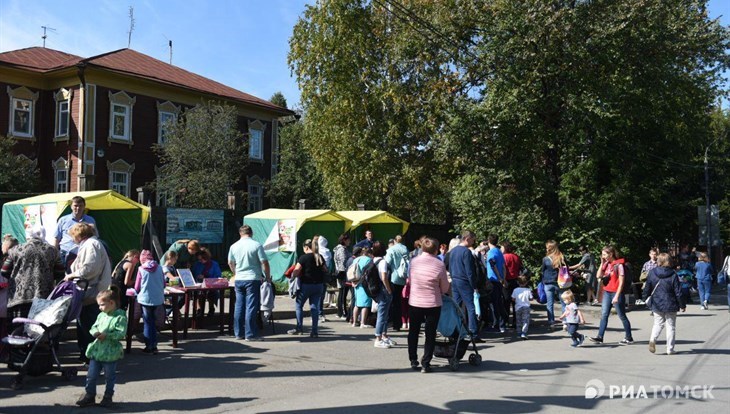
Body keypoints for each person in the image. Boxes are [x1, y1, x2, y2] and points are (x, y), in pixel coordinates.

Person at [64, 222, 113, 363]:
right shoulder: (91, 244)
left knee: (88, 324)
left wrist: (72, 275)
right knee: (85, 323)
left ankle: (91, 355)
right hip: (90, 290)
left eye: (73, 235)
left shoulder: (91, 245)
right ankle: (87, 354)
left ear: (79, 235)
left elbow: (90, 269)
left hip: (92, 292)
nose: (72, 238)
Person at [76, 287, 127, 408]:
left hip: (110, 352)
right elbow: (94, 327)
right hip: (97, 351)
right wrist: (95, 332)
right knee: (91, 375)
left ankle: (108, 397)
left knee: (109, 377)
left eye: (102, 305)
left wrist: (107, 335)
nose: (99, 307)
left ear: (111, 303)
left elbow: (121, 333)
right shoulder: (101, 315)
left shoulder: (120, 317)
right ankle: (89, 395)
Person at [2, 225, 64, 319]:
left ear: (28, 235)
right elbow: (60, 274)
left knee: (17, 329)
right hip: (44, 298)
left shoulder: (15, 250)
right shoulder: (53, 251)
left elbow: (4, 271)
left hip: (18, 298)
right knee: (38, 330)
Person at [407, 237, 449, 373]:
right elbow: (444, 288)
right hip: (432, 302)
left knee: (413, 331)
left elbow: (410, 279)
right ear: (436, 250)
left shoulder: (413, 262)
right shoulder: (439, 265)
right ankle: (426, 362)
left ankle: (413, 359)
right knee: (430, 334)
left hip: (415, 301)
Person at [228, 225, 270, 341]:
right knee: (251, 306)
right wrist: (267, 277)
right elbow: (264, 262)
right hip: (253, 278)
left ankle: (238, 333)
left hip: (239, 279)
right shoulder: (256, 245)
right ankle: (250, 334)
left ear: (240, 233)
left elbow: (230, 262)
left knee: (239, 306)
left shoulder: (234, 246)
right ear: (251, 233)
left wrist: (236, 272)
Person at [590, 245, 634, 345]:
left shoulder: (619, 265)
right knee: (604, 315)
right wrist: (602, 264)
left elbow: (621, 282)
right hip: (607, 292)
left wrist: (617, 296)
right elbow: (598, 276)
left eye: (604, 254)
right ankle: (600, 337)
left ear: (611, 254)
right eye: (602, 255)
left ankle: (629, 337)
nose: (603, 256)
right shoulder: (606, 264)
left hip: (616, 293)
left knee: (622, 315)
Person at [643, 253, 686, 355]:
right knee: (671, 326)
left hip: (657, 303)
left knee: (657, 323)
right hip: (671, 303)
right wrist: (682, 305)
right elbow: (678, 292)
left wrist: (645, 298)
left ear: (658, 261)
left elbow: (647, 288)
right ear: (669, 261)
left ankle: (653, 339)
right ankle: (670, 349)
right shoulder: (673, 274)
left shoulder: (652, 273)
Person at [287, 239, 327, 337]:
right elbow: (325, 269)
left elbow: (296, 272)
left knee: (299, 306)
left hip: (306, 285)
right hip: (318, 285)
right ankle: (314, 331)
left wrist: (293, 275)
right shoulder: (319, 257)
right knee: (314, 307)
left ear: (306, 247)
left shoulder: (303, 258)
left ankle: (299, 328)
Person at [448, 230, 481, 341]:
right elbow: (470, 271)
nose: (473, 242)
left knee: (457, 306)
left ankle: (457, 330)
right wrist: (474, 286)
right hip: (465, 281)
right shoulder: (466, 252)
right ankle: (473, 332)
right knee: (471, 307)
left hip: (455, 280)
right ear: (467, 239)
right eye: (473, 239)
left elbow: (451, 268)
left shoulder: (453, 251)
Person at [134, 250, 165, 354]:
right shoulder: (160, 268)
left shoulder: (141, 269)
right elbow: (164, 284)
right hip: (158, 298)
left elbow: (137, 287)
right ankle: (155, 345)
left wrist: (135, 292)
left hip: (145, 299)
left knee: (147, 322)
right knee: (154, 322)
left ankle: (149, 346)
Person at [55, 196, 97, 271]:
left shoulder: (90, 220)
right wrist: (55, 254)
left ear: (84, 206)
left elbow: (95, 237)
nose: (78, 208)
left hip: (84, 254)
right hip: (65, 254)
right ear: (71, 206)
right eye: (75, 206)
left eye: (80, 206)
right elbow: (56, 238)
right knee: (63, 279)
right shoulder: (63, 220)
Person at [368, 241, 395, 349]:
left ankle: (384, 335)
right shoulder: (382, 262)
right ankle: (378, 338)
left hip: (376, 290)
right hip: (383, 290)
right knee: (382, 315)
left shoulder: (373, 261)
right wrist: (389, 290)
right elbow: (384, 277)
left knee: (383, 314)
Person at [385, 235, 409, 331]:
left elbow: (387, 262)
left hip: (393, 277)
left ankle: (393, 322)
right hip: (402, 277)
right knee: (399, 301)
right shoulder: (405, 249)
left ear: (394, 241)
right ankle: (398, 323)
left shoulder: (392, 249)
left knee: (393, 301)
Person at [540, 240, 565, 329]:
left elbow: (542, 271)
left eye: (547, 246)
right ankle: (565, 322)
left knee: (550, 304)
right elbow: (565, 269)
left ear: (550, 248)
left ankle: (551, 322)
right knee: (563, 303)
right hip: (560, 283)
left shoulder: (545, 259)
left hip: (548, 283)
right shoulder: (561, 257)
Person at [192, 247, 223, 317]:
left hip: (211, 284)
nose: (201, 261)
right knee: (199, 292)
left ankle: (211, 308)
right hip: (199, 284)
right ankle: (199, 309)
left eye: (202, 259)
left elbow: (218, 276)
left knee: (211, 292)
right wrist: (198, 277)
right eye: (199, 259)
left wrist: (207, 277)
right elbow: (193, 274)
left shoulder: (214, 264)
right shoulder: (197, 264)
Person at [501, 240, 522, 328]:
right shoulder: (516, 256)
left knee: (506, 302)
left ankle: (505, 321)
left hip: (507, 280)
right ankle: (515, 321)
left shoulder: (504, 257)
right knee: (515, 302)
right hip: (516, 280)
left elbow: (503, 269)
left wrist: (503, 280)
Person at [351, 248, 372, 328]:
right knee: (365, 304)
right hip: (364, 283)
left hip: (355, 282)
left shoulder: (356, 259)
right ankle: (362, 323)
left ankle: (354, 322)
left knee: (357, 304)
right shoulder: (368, 260)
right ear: (369, 253)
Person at [333, 233, 352, 320]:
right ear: (344, 240)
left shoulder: (341, 249)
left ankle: (340, 312)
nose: (349, 241)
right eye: (348, 240)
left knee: (342, 293)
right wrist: (344, 272)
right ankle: (343, 312)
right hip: (343, 274)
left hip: (341, 273)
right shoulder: (342, 250)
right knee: (343, 293)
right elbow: (342, 261)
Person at [315, 235, 333, 323]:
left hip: (319, 277)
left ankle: (319, 313)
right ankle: (319, 313)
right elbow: (327, 265)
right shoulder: (327, 252)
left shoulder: (318, 252)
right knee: (320, 296)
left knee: (319, 296)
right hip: (324, 276)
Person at [511, 275, 533, 340]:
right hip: (526, 307)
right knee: (525, 320)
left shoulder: (515, 290)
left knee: (518, 320)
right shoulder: (528, 290)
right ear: (526, 282)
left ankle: (518, 333)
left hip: (518, 307)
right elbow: (531, 298)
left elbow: (513, 298)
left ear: (518, 282)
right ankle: (524, 333)